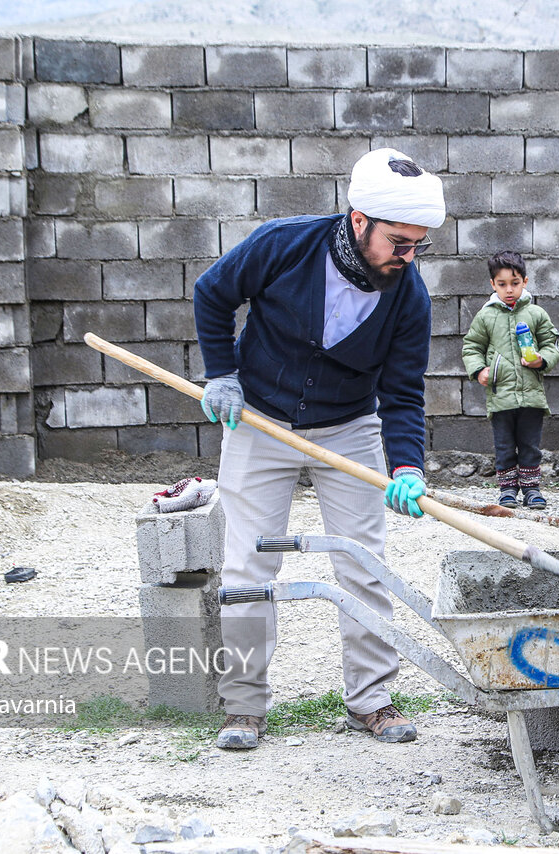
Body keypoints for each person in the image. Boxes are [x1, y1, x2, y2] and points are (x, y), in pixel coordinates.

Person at [193, 148, 445, 749]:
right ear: (359, 220)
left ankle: (372, 701)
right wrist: (221, 372)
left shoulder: (409, 297)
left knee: (362, 564)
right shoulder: (284, 244)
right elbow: (212, 293)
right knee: (249, 565)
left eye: (419, 245)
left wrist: (408, 464)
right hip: (258, 420)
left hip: (348, 429)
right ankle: (244, 707)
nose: (408, 257)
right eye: (399, 242)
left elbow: (404, 393)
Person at [461, 250, 559, 509]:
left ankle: (532, 490)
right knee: (504, 446)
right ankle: (507, 490)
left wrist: (541, 360)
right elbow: (471, 347)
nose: (509, 290)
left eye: (515, 284)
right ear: (492, 284)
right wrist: (479, 370)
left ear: (525, 282)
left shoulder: (536, 314)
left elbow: (552, 343)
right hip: (500, 396)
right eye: (502, 284)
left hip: (532, 396)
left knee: (530, 446)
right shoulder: (486, 316)